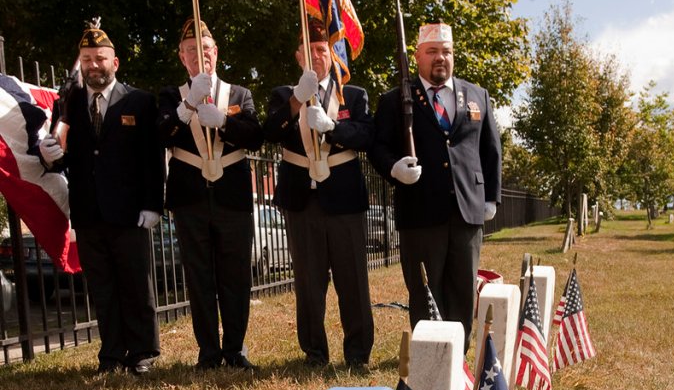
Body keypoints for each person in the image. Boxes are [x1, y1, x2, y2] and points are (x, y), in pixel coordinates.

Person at [39, 25, 164, 374]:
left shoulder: (138, 101)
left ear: (116, 62)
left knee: (136, 284)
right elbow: (60, 154)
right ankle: (111, 355)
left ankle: (142, 353)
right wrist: (49, 154)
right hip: (89, 211)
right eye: (87, 60)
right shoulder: (68, 104)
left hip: (129, 212)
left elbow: (152, 159)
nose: (94, 65)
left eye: (100, 59)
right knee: (103, 288)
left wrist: (153, 203)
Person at [371, 22, 501, 349]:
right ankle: (430, 353)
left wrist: (491, 197)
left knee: (462, 287)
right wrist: (394, 168)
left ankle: (459, 351)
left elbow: (491, 149)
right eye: (432, 52)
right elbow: (377, 147)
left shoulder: (477, 96)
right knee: (425, 289)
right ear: (417, 57)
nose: (440, 58)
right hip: (420, 212)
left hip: (467, 211)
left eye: (446, 51)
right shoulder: (395, 100)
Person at [263, 19, 374, 369]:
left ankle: (357, 353)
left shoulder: (352, 95)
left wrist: (334, 128)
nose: (316, 57)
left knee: (352, 279)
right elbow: (269, 131)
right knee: (309, 282)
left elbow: (366, 135)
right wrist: (296, 99)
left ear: (332, 55)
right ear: (299, 58)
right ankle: (314, 352)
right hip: (302, 200)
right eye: (308, 52)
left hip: (343, 200)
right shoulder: (283, 95)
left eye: (321, 51)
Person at [158, 18, 263, 370]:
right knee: (199, 277)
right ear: (181, 57)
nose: (198, 57)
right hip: (190, 198)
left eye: (203, 50)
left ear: (215, 53)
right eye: (190, 51)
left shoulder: (238, 94)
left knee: (235, 276)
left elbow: (254, 136)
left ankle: (235, 349)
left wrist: (224, 122)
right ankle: (208, 352)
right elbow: (161, 135)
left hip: (232, 197)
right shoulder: (171, 95)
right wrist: (186, 105)